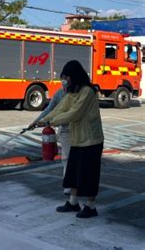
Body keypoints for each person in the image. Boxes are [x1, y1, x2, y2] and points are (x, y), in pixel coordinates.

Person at [38, 60, 104, 219]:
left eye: (67, 77)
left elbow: (75, 113)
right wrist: (42, 119)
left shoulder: (87, 92)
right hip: (77, 139)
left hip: (91, 140)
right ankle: (73, 203)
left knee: (89, 175)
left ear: (75, 76)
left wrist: (51, 121)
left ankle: (90, 206)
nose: (65, 80)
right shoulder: (71, 92)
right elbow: (60, 108)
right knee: (73, 173)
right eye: (64, 77)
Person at [28, 79, 71, 195]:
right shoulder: (59, 93)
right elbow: (49, 109)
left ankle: (75, 185)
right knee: (67, 158)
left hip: (77, 129)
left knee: (75, 158)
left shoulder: (77, 95)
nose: (65, 89)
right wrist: (36, 122)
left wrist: (48, 122)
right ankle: (69, 186)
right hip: (65, 131)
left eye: (68, 86)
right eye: (64, 86)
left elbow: (70, 114)